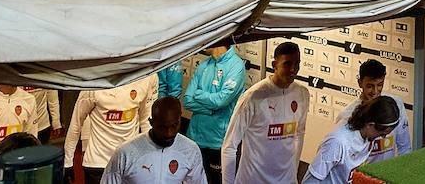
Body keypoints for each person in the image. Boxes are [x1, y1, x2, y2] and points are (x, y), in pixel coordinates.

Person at [221, 41, 309, 184]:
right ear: (274, 65)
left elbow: (299, 134)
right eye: (287, 64)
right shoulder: (252, 97)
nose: (293, 69)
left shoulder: (302, 94)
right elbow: (229, 146)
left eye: (297, 63)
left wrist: (292, 175)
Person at [65, 77, 159, 184]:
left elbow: (145, 121)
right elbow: (76, 124)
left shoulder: (145, 79)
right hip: (98, 164)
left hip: (129, 164)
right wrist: (67, 163)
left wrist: (151, 156)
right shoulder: (94, 84)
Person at [100, 97, 206, 184]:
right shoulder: (125, 153)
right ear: (151, 122)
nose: (169, 133)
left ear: (180, 120)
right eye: (162, 127)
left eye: (174, 126)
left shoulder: (190, 150)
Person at [182, 44, 247, 184]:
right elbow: (187, 100)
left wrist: (198, 94)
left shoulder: (236, 66)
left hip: (218, 143)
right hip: (194, 139)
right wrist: (210, 109)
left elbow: (221, 100)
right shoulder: (204, 64)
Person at [302, 96, 401, 184]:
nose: (382, 137)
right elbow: (310, 181)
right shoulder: (337, 143)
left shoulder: (367, 136)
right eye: (381, 134)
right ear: (370, 125)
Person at [329, 60, 411, 165]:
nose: (375, 91)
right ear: (360, 83)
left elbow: (404, 148)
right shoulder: (347, 115)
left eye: (380, 85)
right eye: (370, 86)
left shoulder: (396, 105)